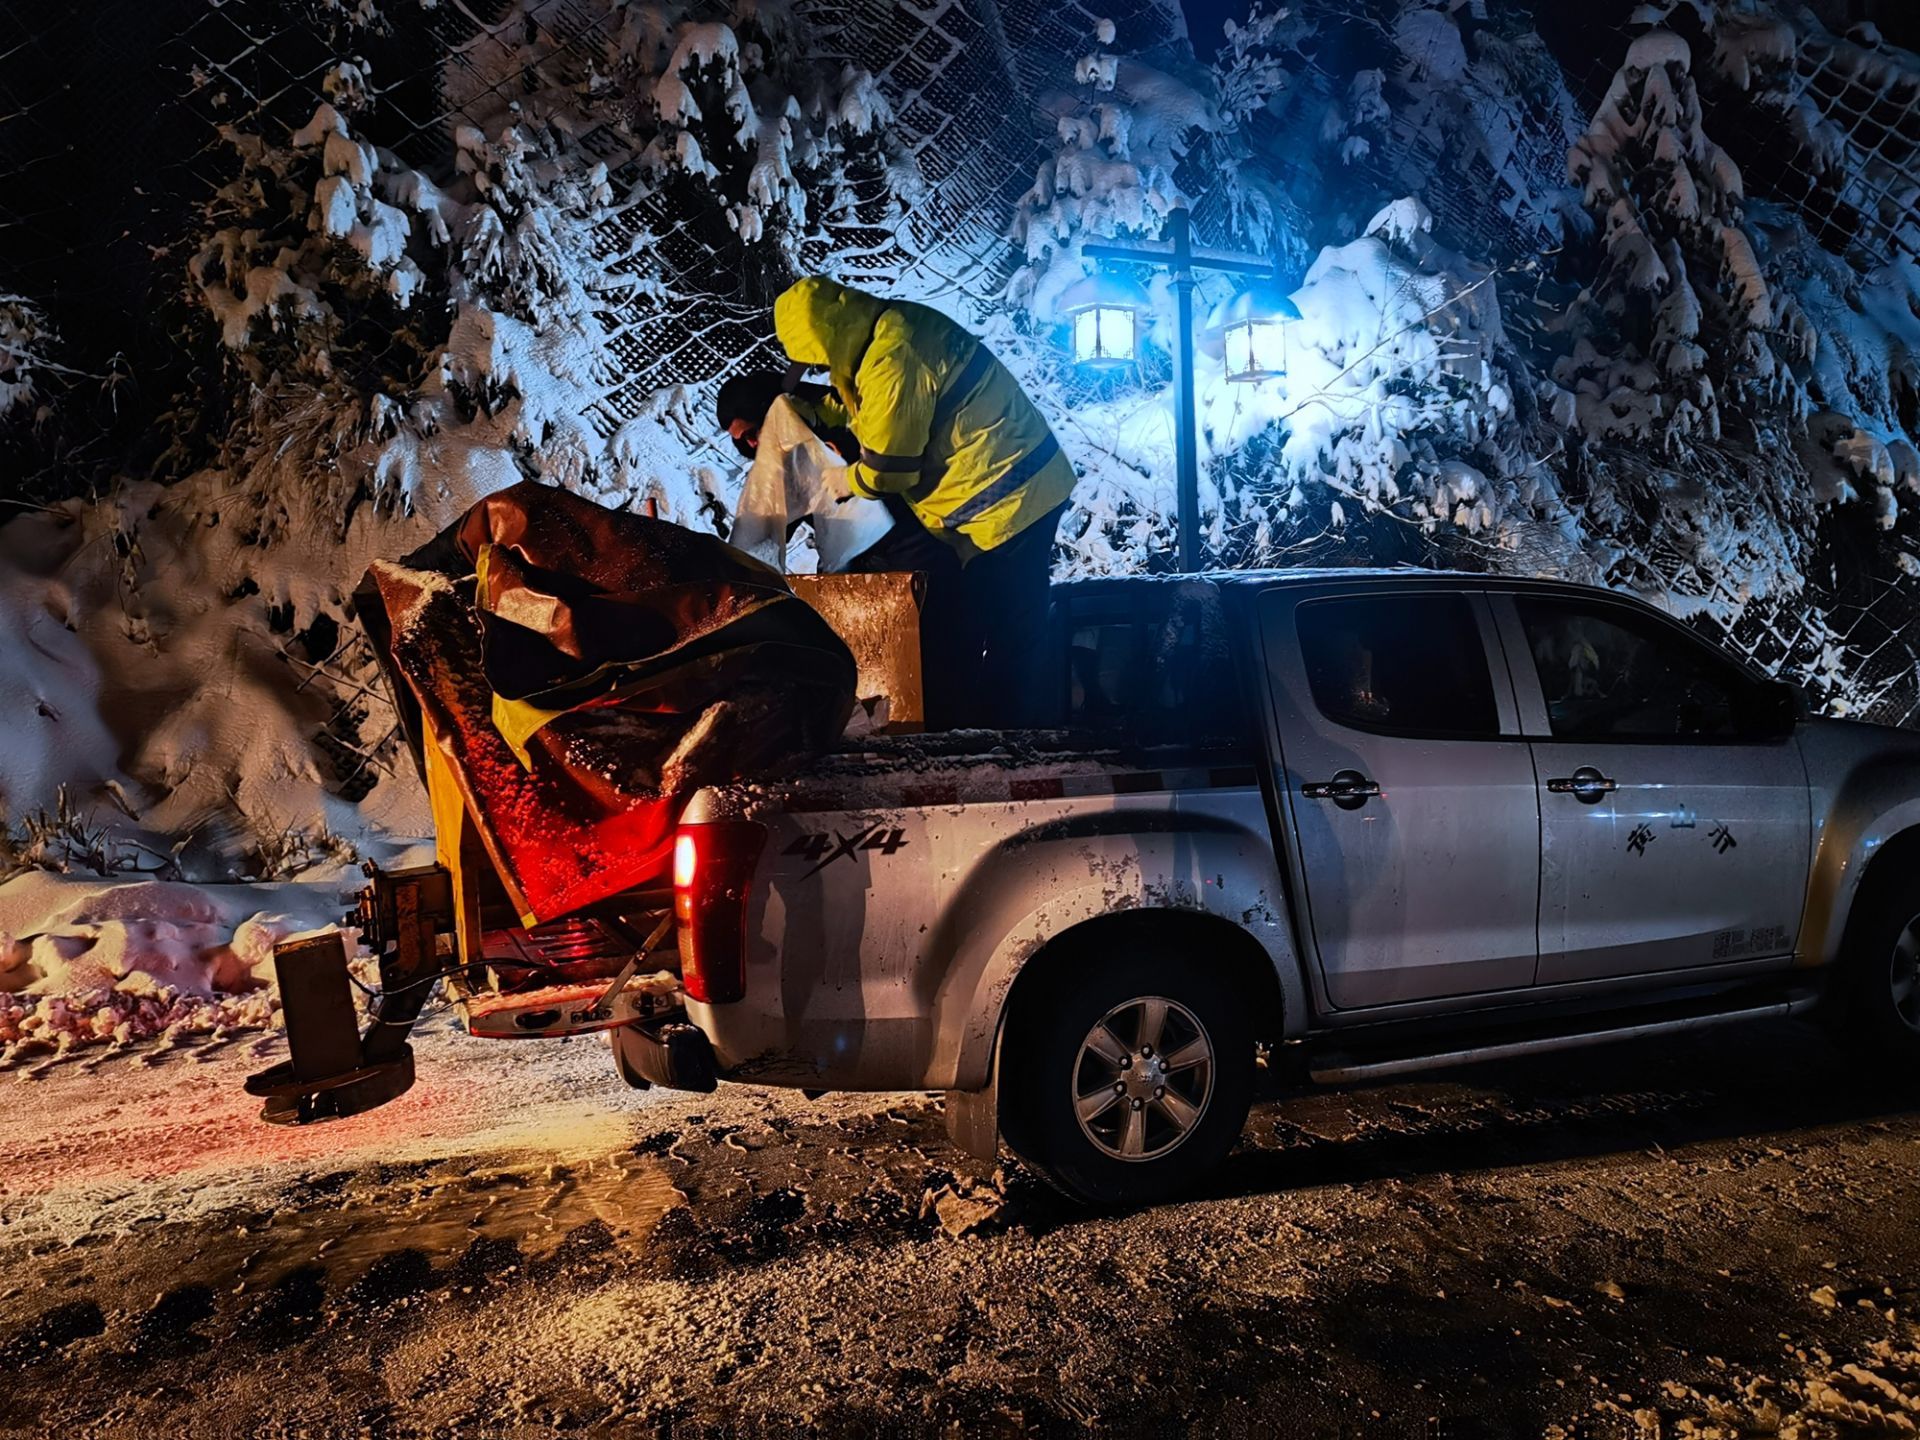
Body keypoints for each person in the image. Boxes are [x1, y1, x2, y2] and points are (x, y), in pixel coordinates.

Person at [770, 276, 1077, 725]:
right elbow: (872, 409)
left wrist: (841, 481)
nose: (818, 369)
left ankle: (1013, 734)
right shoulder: (887, 335)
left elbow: (891, 469)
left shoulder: (893, 358)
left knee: (1013, 625)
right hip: (1009, 494)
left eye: (815, 361)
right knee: (987, 620)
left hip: (1013, 497)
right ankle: (993, 723)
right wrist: (819, 412)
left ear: (826, 337)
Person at [717, 369, 969, 724]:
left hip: (918, 545)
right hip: (866, 565)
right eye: (743, 441)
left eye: (754, 432)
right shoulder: (787, 453)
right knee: (876, 665)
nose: (754, 446)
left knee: (930, 657)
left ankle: (948, 736)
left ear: (773, 414)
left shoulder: (836, 421)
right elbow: (766, 523)